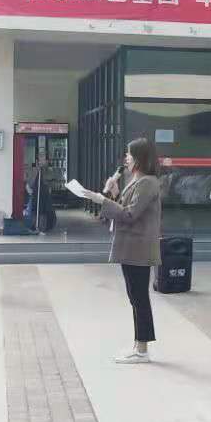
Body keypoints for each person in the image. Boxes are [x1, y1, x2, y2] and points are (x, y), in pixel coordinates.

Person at [83, 138, 162, 364]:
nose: (126, 158)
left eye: (129, 154)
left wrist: (102, 200)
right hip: (131, 246)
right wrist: (114, 193)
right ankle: (138, 345)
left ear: (139, 158)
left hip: (138, 248)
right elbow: (125, 208)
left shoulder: (148, 183)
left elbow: (129, 214)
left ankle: (142, 349)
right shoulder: (136, 180)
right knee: (135, 297)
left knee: (139, 298)